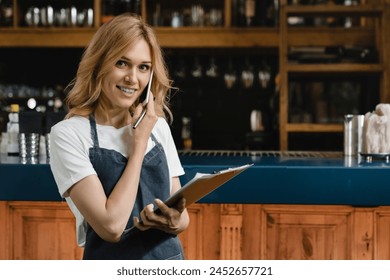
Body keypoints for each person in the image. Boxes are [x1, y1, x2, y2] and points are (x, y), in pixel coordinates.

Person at [49, 13, 189, 260]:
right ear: (99, 63)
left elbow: (181, 217)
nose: (132, 79)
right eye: (122, 63)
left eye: (143, 67)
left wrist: (174, 220)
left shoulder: (157, 126)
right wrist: (138, 144)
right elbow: (111, 227)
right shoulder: (68, 134)